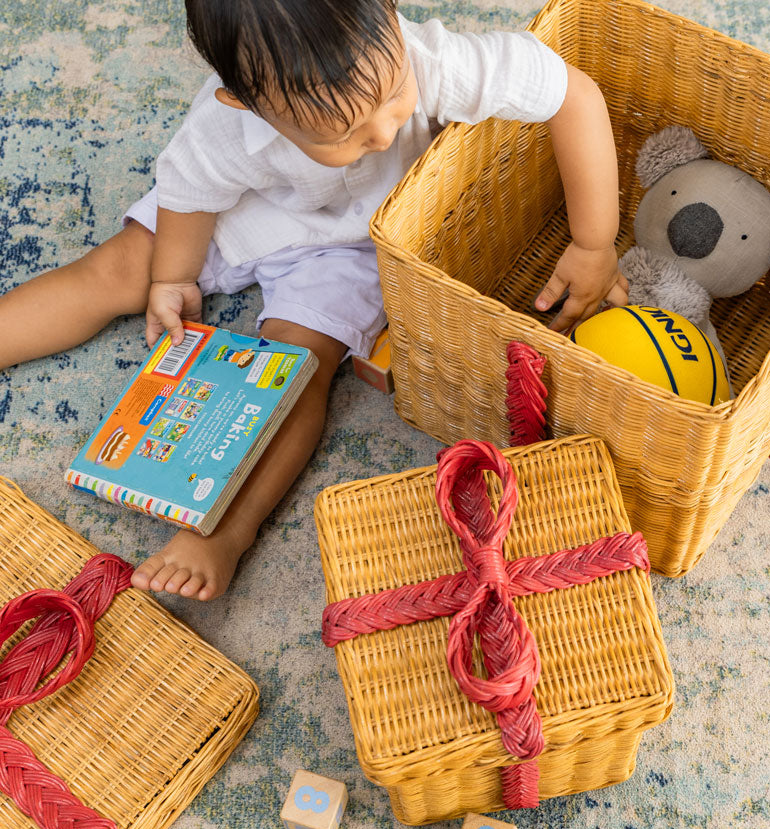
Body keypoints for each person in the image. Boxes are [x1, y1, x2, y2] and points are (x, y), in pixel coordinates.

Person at [0, 0, 628, 601]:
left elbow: (573, 94)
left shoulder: (432, 59)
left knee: (297, 372)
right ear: (245, 104)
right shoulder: (222, 125)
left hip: (350, 246)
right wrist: (171, 278)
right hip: (248, 211)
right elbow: (188, 192)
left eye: (391, 98)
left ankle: (222, 532)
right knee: (110, 270)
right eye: (346, 132)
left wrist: (594, 244)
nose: (384, 132)